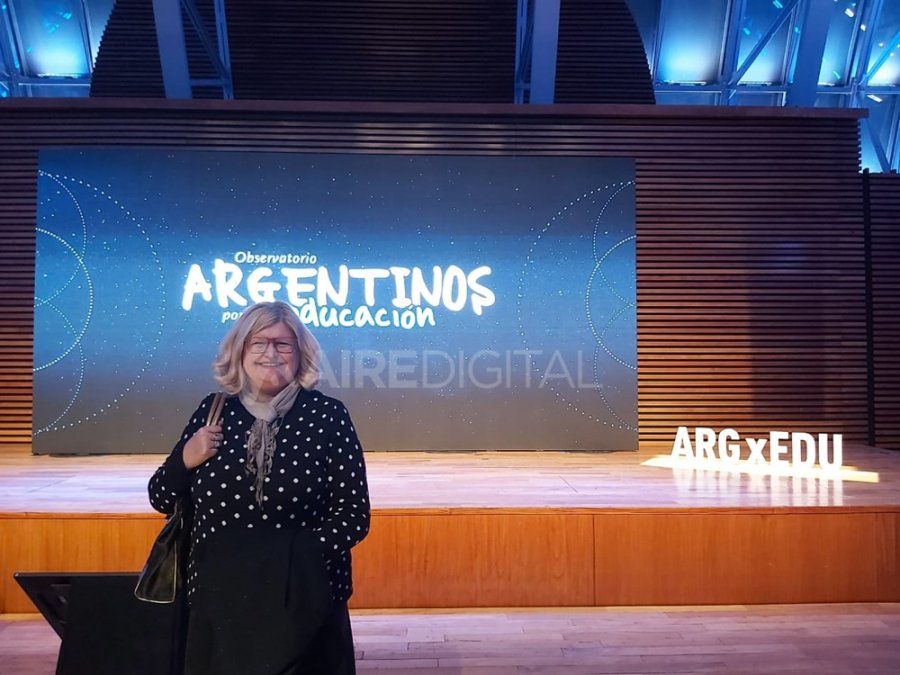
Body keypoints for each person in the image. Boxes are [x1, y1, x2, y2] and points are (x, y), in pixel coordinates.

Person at [148, 301, 370, 674]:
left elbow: (353, 516)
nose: (271, 353)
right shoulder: (212, 412)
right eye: (258, 343)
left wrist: (296, 559)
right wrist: (185, 458)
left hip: (301, 603)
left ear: (301, 354)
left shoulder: (328, 416)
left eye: (283, 344)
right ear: (239, 352)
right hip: (219, 606)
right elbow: (161, 496)